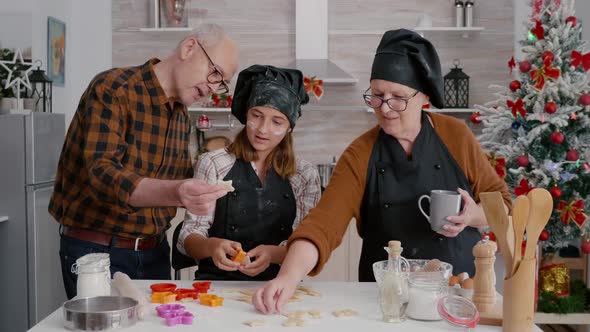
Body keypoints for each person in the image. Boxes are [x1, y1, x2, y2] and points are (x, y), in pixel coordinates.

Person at [252, 29, 511, 313]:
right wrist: (289, 276)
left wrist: (473, 214)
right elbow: (323, 224)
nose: (385, 108)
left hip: (458, 292)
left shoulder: (456, 135)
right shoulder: (360, 153)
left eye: (397, 97)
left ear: (423, 96)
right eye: (377, 95)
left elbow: (502, 205)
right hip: (388, 299)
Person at [49, 24, 239, 299]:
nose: (214, 87)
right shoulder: (114, 89)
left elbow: (179, 182)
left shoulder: (181, 116)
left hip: (155, 253)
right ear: (189, 48)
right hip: (98, 253)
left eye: (221, 82)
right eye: (215, 73)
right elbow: (102, 175)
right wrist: (176, 192)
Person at [177, 65, 321, 281]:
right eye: (257, 115)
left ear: (290, 127)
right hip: (217, 284)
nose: (263, 129)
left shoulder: (304, 174)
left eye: (277, 121)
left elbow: (308, 242)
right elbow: (187, 238)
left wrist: (274, 254)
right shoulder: (213, 163)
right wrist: (211, 245)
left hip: (281, 285)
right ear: (246, 115)